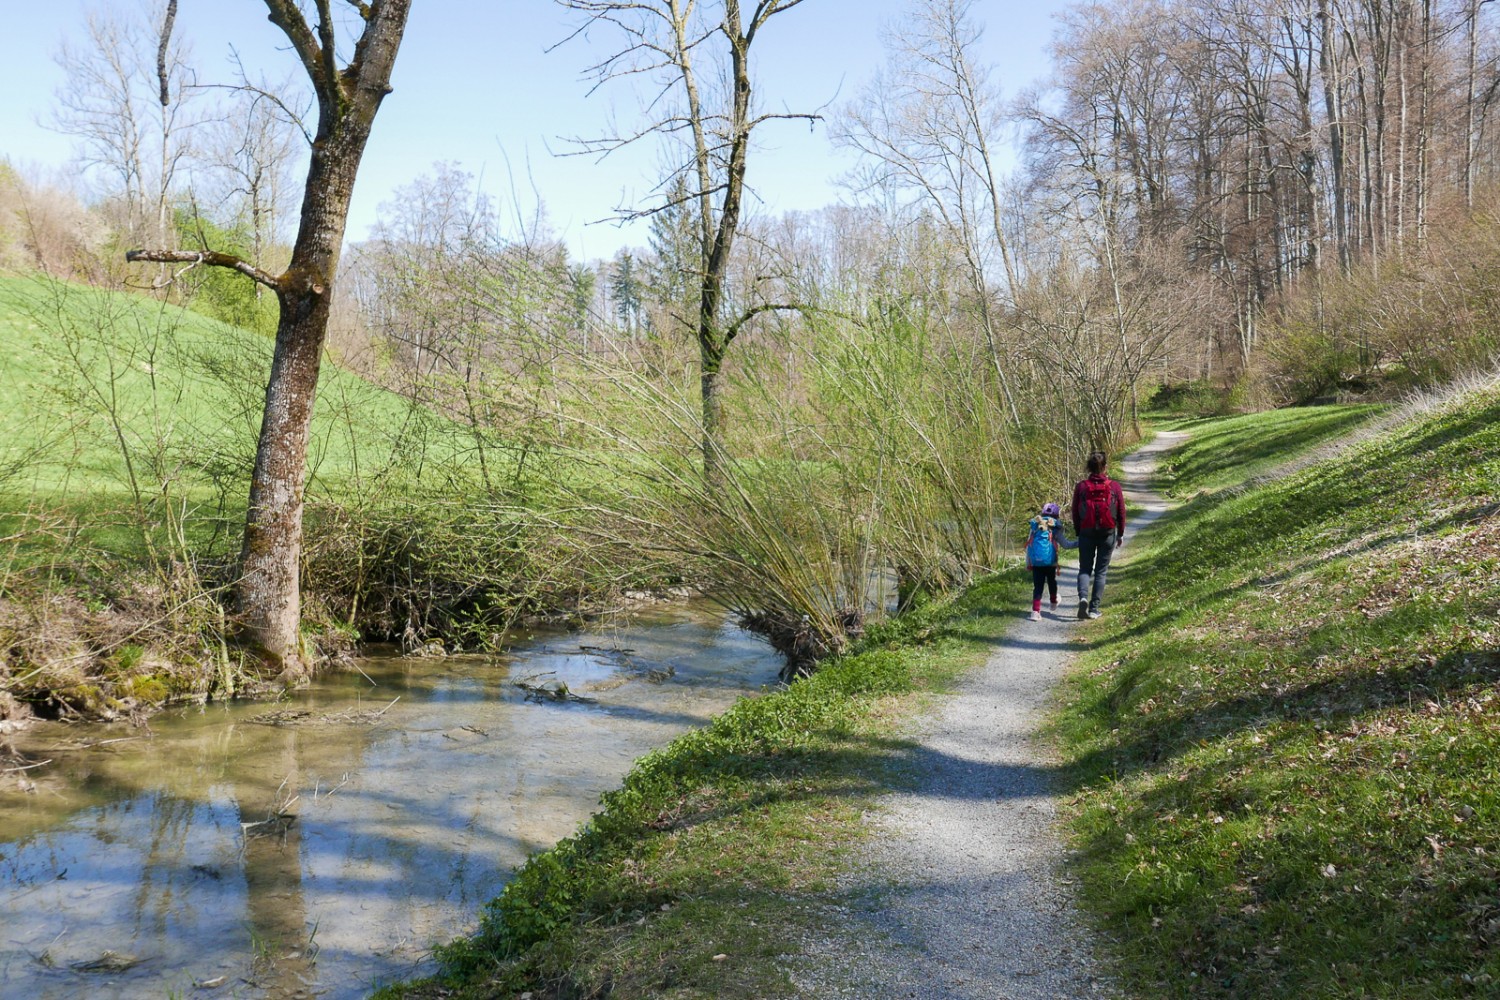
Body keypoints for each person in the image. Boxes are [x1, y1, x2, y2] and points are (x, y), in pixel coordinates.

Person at [1071, 451, 1126, 620]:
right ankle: (1094, 609)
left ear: (1089, 467)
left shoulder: (1081, 486)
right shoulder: (1114, 486)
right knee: (1101, 572)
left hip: (1086, 532)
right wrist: (1120, 534)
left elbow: (1074, 511)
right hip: (1107, 533)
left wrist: (1079, 532)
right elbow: (1122, 511)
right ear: (1105, 467)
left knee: (1084, 569)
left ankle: (1082, 598)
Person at [1025, 502, 1076, 620]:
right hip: (1050, 562)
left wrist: (1028, 563)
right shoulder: (1054, 528)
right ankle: (1053, 601)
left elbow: (1029, 546)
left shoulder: (1035, 526)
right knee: (1052, 581)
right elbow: (1066, 545)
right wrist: (1081, 542)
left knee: (1038, 586)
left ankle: (1035, 612)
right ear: (1057, 515)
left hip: (1036, 562)